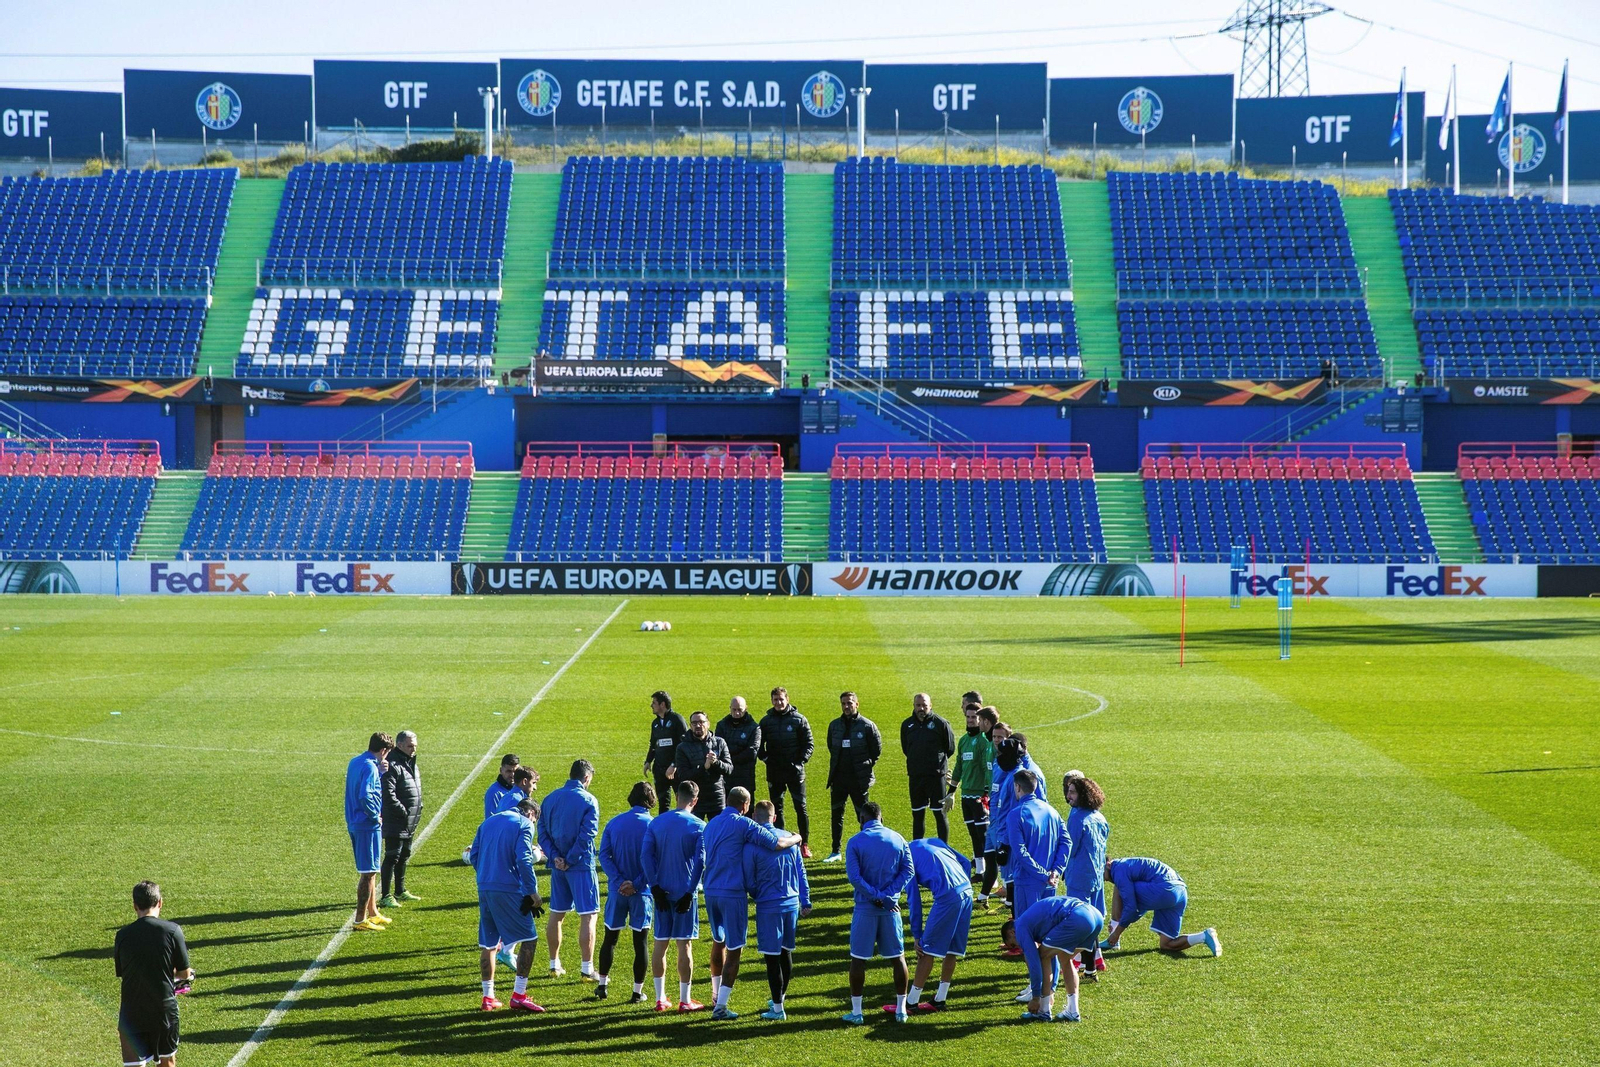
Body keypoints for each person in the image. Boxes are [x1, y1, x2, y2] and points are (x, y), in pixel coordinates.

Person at [701, 786, 801, 1019]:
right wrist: (796, 838)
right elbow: (775, 844)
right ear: (745, 806)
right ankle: (721, 1007)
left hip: (710, 890)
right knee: (735, 950)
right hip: (731, 892)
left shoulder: (712, 823)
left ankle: (716, 995)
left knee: (719, 941)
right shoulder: (744, 824)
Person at [468, 797, 546, 1012]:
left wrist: (487, 874)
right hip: (508, 889)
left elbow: (474, 855)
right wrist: (531, 891)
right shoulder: (524, 823)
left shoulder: (488, 822)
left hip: (484, 887)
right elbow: (523, 859)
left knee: (489, 943)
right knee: (530, 939)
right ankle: (519, 995)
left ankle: (488, 998)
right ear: (531, 813)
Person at [841, 801, 914, 1025]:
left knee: (858, 960)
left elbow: (854, 877)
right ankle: (901, 1010)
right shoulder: (898, 838)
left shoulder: (855, 842)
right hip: (890, 909)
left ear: (861, 820)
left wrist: (875, 896)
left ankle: (857, 1012)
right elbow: (908, 870)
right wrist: (890, 895)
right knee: (898, 958)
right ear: (881, 818)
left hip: (866, 908)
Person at [641, 780, 707, 1012]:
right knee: (684, 944)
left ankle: (660, 999)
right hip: (684, 892)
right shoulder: (699, 826)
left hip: (662, 891)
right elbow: (701, 861)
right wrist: (691, 891)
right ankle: (685, 1000)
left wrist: (655, 887)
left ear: (676, 796)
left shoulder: (657, 823)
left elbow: (645, 857)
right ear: (695, 801)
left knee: (660, 943)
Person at [1003, 768, 1069, 1002]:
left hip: (1027, 884)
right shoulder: (1052, 811)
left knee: (1028, 937)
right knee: (1049, 936)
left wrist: (1042, 874)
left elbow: (1019, 853)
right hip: (1049, 885)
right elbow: (1066, 841)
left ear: (1018, 788)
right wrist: (1056, 871)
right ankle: (1049, 986)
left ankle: (1039, 989)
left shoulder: (1016, 814)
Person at [743, 800, 811, 1021]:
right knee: (786, 952)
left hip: (769, 906)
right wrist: (805, 899)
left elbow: (749, 879)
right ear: (773, 817)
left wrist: (757, 895)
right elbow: (801, 872)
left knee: (772, 959)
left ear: (754, 817)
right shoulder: (789, 840)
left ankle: (778, 1008)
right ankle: (779, 998)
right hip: (791, 903)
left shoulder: (752, 844)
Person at [114, 881, 192, 1067]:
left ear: (135, 905)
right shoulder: (172, 931)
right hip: (163, 1011)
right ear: (160, 902)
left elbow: (124, 972)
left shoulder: (122, 935)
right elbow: (184, 973)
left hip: (131, 1013)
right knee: (167, 1064)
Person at [538, 760, 601, 980]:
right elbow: (587, 835)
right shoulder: (589, 801)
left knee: (557, 914)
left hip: (558, 867)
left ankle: (554, 964)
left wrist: (556, 858)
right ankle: (586, 968)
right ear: (586, 778)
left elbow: (542, 833)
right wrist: (570, 859)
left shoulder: (550, 798)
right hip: (580, 866)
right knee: (588, 916)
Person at [897, 835, 973, 1014]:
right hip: (967, 891)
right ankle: (940, 999)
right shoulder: (933, 841)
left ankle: (911, 1003)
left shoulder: (905, 861)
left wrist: (917, 936)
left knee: (926, 950)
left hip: (948, 897)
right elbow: (966, 863)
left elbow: (914, 901)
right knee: (952, 950)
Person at [596, 781, 657, 1003]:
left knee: (610, 938)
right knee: (640, 942)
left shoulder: (614, 823)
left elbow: (604, 855)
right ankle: (637, 992)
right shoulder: (653, 825)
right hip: (642, 894)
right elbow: (654, 861)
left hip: (616, 892)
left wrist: (619, 881)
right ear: (651, 801)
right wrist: (637, 884)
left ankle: (602, 986)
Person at [1001, 894, 1104, 1023]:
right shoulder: (1031, 922)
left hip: (1078, 917)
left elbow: (1034, 965)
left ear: (1012, 933)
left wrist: (1036, 997)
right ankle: (1073, 1011)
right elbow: (1054, 959)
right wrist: (1052, 990)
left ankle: (1043, 1010)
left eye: (1012, 944)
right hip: (1095, 916)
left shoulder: (1020, 928)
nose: (1018, 947)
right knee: (1065, 959)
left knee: (1042, 955)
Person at [1102, 857, 1221, 957]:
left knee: (1120, 886)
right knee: (1167, 944)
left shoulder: (1118, 868)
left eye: (1100, 871)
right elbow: (1139, 908)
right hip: (1180, 892)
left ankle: (1113, 940)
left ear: (1108, 864)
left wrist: (1117, 932)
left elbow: (1132, 906)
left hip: (1164, 889)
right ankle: (1204, 936)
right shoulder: (1127, 865)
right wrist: (1124, 922)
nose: (1102, 878)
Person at [825, 691, 882, 862]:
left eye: (850, 703)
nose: (846, 706)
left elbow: (876, 750)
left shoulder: (867, 726)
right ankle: (835, 851)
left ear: (857, 704)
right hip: (839, 778)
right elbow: (831, 747)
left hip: (859, 779)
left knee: (864, 816)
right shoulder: (834, 725)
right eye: (843, 703)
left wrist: (864, 767)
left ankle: (867, 850)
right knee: (837, 814)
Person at [757, 686, 814, 858]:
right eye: (775, 700)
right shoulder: (766, 722)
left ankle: (804, 844)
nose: (779, 702)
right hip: (775, 772)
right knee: (776, 809)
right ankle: (780, 839)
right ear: (771, 701)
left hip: (795, 773)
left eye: (781, 699)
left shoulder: (799, 719)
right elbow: (758, 745)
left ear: (787, 699)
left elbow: (809, 744)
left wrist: (800, 763)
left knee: (800, 808)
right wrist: (766, 759)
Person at [345, 732, 392, 932]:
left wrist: (380, 773)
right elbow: (365, 795)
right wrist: (374, 816)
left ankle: (373, 912)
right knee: (368, 872)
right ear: (383, 750)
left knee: (372, 870)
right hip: (366, 825)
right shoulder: (370, 767)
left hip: (355, 821)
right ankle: (359, 919)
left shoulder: (356, 762)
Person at [1063, 774, 1110, 977]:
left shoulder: (1076, 817)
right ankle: (1091, 966)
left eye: (1072, 792)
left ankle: (1081, 963)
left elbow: (1070, 848)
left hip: (1079, 877)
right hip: (1096, 877)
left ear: (1083, 795)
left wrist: (1061, 868)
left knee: (1081, 922)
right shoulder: (1099, 817)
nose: (1068, 795)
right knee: (1093, 922)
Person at [900, 692, 957, 842]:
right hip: (916, 776)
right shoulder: (907, 725)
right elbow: (906, 748)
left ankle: (944, 848)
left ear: (930, 705)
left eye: (924, 705)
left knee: (940, 813)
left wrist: (937, 765)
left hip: (936, 777)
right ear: (913, 706)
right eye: (918, 705)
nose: (921, 708)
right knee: (917, 814)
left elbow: (949, 748)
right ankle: (917, 849)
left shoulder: (941, 723)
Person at [952, 701, 994, 896]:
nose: (970, 720)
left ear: (980, 719)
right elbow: (959, 766)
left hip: (979, 796)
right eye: (968, 717)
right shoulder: (963, 741)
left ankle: (991, 877)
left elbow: (987, 769)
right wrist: (951, 790)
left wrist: (986, 793)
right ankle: (980, 871)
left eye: (974, 717)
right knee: (973, 835)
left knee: (983, 836)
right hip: (966, 795)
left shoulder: (984, 742)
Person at [380, 730, 423, 911]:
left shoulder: (410, 762)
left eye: (415, 746)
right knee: (392, 856)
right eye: (410, 746)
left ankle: (400, 890)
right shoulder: (392, 764)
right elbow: (388, 794)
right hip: (397, 820)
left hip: (409, 820)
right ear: (399, 745)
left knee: (404, 855)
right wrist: (404, 812)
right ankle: (385, 895)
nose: (413, 749)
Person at [469, 758, 536, 866]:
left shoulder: (513, 795)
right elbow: (494, 822)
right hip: (505, 850)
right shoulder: (514, 799)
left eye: (515, 771)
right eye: (533, 783)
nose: (513, 775)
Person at [670, 710, 734, 819]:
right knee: (694, 833)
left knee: (717, 834)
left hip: (716, 799)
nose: (698, 725)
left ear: (708, 724)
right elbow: (683, 775)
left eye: (701, 722)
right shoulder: (682, 747)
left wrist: (716, 763)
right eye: (694, 723)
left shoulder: (719, 743)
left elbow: (729, 769)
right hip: (694, 800)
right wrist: (703, 768)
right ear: (690, 725)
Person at [643, 691, 687, 815]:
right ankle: (663, 830)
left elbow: (684, 745)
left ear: (662, 704)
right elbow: (653, 744)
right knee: (663, 803)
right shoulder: (655, 723)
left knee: (682, 802)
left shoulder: (677, 719)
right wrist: (648, 761)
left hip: (675, 770)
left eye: (654, 703)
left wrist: (674, 765)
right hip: (660, 769)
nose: (651, 705)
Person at [716, 696, 762, 798]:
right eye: (734, 709)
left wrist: (729, 759)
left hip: (745, 777)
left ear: (746, 708)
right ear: (730, 708)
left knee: (746, 810)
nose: (737, 713)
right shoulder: (722, 725)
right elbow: (718, 748)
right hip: (726, 778)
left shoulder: (754, 727)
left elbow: (752, 752)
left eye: (740, 710)